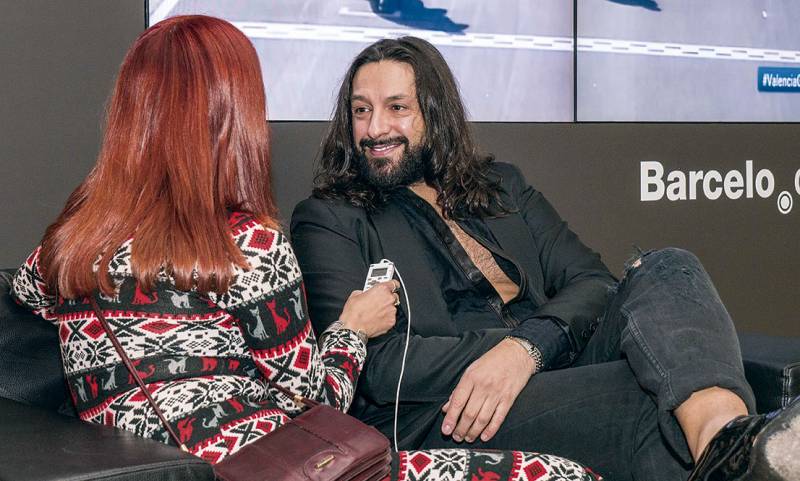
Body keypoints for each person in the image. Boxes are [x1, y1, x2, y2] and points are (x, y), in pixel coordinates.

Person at [11, 16, 603, 481]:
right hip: (286, 466)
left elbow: (39, 299)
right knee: (564, 474)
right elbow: (319, 404)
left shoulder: (68, 245)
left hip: (176, 465)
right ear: (230, 117)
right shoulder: (247, 247)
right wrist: (352, 327)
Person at [290, 36, 800, 481]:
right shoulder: (329, 217)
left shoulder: (500, 186)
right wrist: (505, 354)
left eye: (397, 108)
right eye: (361, 110)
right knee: (649, 396)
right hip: (448, 410)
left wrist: (527, 349)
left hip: (550, 359)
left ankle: (726, 443)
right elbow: (373, 366)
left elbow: (593, 282)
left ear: (434, 112)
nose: (375, 128)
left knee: (669, 265)